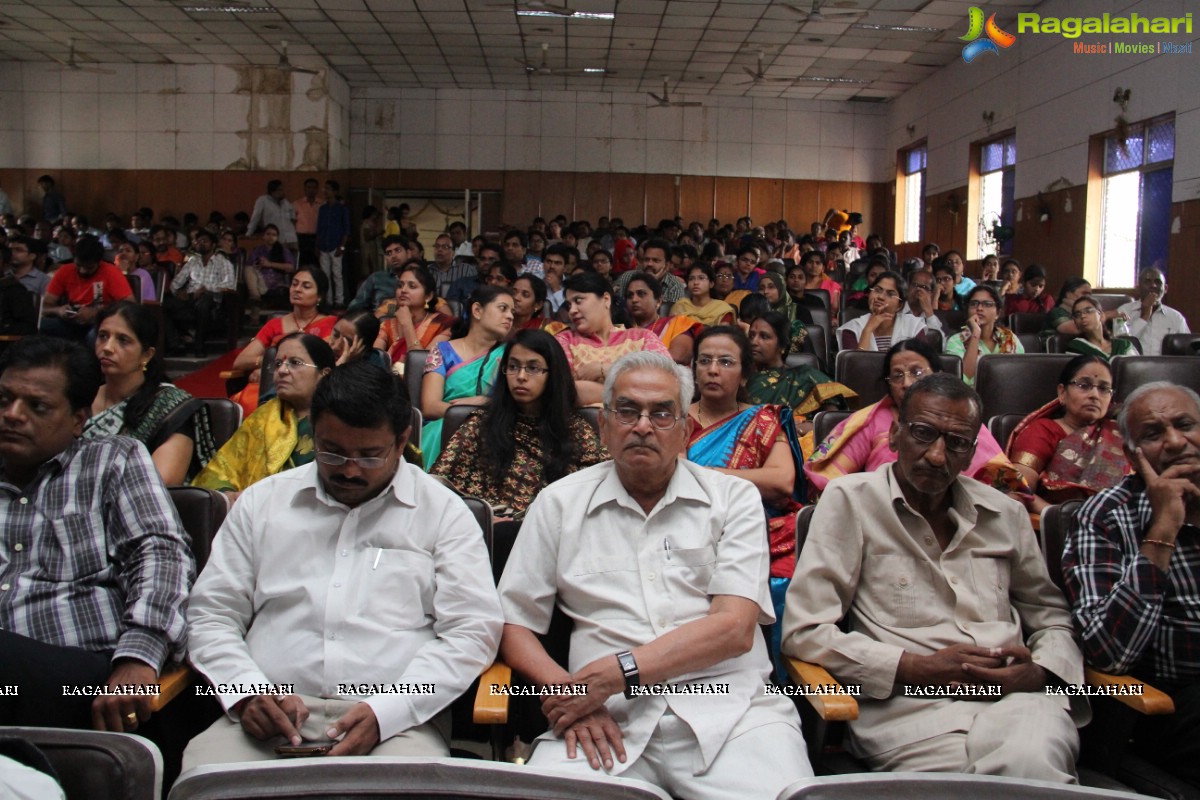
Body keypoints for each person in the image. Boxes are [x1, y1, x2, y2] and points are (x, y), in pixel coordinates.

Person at [496, 351, 813, 798]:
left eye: (662, 413)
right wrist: (572, 695)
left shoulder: (732, 499)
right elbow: (513, 622)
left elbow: (734, 629)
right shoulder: (559, 503)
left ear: (686, 430)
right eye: (627, 411)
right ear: (603, 426)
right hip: (602, 722)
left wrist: (614, 674)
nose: (643, 426)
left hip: (733, 716)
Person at [182, 362, 502, 771]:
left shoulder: (442, 513)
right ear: (312, 432)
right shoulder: (263, 503)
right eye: (332, 452)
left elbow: (472, 631)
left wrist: (389, 711)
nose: (349, 470)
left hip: (397, 724)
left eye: (370, 456)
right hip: (268, 713)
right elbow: (212, 613)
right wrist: (245, 692)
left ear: (402, 440)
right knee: (202, 782)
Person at [783, 373, 1088, 782]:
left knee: (1029, 760)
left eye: (957, 443)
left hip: (1018, 703)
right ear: (894, 434)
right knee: (999, 783)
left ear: (972, 454)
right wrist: (913, 668)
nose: (937, 456)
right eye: (923, 434)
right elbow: (804, 631)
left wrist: (1042, 672)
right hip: (912, 712)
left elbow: (1050, 616)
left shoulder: (1006, 514)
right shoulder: (850, 503)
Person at [0, 336, 192, 735]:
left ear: (78, 419)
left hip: (82, 680)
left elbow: (159, 554)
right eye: (3, 400)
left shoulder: (112, 460)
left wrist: (139, 657)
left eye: (37, 406)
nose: (12, 415)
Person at [1062, 382, 1200, 789]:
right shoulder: (1103, 518)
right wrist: (1162, 532)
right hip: (1170, 704)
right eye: (1154, 435)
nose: (1175, 442)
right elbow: (1109, 655)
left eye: (1186, 425)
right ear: (1131, 455)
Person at [432, 329, 607, 564]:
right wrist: (485, 516)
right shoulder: (480, 425)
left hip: (554, 542)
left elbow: (597, 491)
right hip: (481, 539)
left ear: (552, 374)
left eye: (533, 368)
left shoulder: (575, 431)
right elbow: (439, 489)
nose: (521, 376)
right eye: (513, 366)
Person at [806, 338, 1025, 498]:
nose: (907, 383)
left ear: (937, 374)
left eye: (917, 372)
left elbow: (1007, 488)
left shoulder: (963, 422)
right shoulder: (870, 421)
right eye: (897, 375)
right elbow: (828, 481)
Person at [192, 333, 335, 504]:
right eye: (278, 364)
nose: (282, 371)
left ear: (324, 373)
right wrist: (228, 495)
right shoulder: (264, 417)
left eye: (295, 363)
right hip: (247, 512)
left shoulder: (339, 422)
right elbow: (222, 470)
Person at [84, 302, 217, 484]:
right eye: (103, 336)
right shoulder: (80, 397)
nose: (107, 347)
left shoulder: (170, 408)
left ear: (146, 355)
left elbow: (162, 481)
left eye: (123, 340)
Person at [1007, 355, 1130, 514]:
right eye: (1084, 385)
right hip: (1058, 528)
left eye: (1103, 388)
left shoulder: (1119, 433)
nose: (1095, 395)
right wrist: (1060, 517)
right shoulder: (1043, 431)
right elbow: (1018, 488)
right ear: (1062, 392)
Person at [419, 286, 513, 469]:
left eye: (512, 312)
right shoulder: (442, 351)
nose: (510, 316)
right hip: (444, 428)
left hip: (493, 427)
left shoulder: (511, 355)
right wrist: (469, 412)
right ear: (477, 310)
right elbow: (430, 406)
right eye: (503, 308)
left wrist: (485, 402)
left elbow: (514, 403)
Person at [230, 268, 336, 414]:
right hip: (272, 383)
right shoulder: (274, 325)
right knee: (249, 400)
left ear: (319, 297)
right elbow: (240, 362)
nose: (297, 290)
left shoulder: (332, 324)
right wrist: (269, 364)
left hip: (311, 387)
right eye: (294, 284)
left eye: (306, 286)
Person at [555, 272, 670, 406]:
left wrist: (605, 369)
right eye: (569, 305)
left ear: (606, 299)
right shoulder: (564, 340)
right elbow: (564, 391)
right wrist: (634, 392)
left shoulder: (642, 337)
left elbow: (667, 381)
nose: (572, 311)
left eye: (578, 301)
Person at [746, 311, 855, 440]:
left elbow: (832, 423)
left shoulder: (806, 377)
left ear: (782, 346)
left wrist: (809, 426)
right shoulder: (737, 377)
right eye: (751, 335)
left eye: (764, 337)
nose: (754, 342)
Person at [40, 235, 132, 340]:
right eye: (79, 265)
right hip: (71, 322)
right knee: (42, 326)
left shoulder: (111, 272)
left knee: (94, 336)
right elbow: (45, 307)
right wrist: (59, 310)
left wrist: (96, 313)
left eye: (89, 268)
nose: (83, 270)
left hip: (101, 322)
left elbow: (129, 304)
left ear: (99, 263)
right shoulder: (64, 271)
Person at [162, 229, 236, 357]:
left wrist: (205, 288)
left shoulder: (223, 262)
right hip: (190, 298)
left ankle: (199, 346)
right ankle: (175, 344)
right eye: (199, 241)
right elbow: (175, 283)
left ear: (213, 245)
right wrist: (179, 292)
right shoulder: (192, 262)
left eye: (205, 241)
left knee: (204, 302)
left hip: (212, 299)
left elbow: (230, 285)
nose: (201, 243)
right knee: (163, 305)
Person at [374, 262, 455, 366]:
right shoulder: (388, 325)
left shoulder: (443, 325)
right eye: (400, 285)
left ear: (428, 296)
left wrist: (407, 324)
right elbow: (374, 360)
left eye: (412, 286)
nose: (403, 290)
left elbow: (422, 365)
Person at [945, 284, 1024, 386]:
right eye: (974, 304)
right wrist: (975, 333)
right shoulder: (956, 341)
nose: (979, 308)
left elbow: (1021, 374)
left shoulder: (1010, 338)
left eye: (987, 304)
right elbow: (963, 380)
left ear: (997, 313)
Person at [624, 272, 701, 367]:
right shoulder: (621, 331)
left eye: (641, 294)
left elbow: (679, 356)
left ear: (658, 301)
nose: (634, 299)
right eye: (629, 295)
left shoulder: (676, 323)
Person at [838, 270, 925, 352]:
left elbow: (922, 363)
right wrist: (867, 330)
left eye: (890, 294)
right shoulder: (851, 329)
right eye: (877, 290)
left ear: (899, 305)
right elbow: (855, 366)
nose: (881, 297)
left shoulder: (913, 327)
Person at [1117, 268, 1190, 356]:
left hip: (1167, 367)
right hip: (1133, 366)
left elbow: (1186, 349)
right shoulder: (1123, 311)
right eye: (1147, 282)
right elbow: (1120, 346)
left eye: (1158, 282)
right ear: (1138, 288)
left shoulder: (1176, 318)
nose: (1153, 286)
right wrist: (1144, 316)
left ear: (1165, 288)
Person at [244, 224, 295, 321]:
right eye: (268, 234)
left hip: (275, 280)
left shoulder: (282, 250)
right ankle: (255, 296)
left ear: (277, 237)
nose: (270, 237)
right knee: (248, 269)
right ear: (263, 236)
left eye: (274, 235)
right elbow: (251, 264)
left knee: (251, 276)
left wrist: (269, 264)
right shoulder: (259, 249)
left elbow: (290, 267)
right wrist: (259, 264)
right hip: (258, 278)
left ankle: (255, 301)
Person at [1066, 295, 1135, 360]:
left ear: (1101, 315)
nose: (1082, 316)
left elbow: (1137, 369)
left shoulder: (1123, 345)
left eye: (1088, 311)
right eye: (1077, 314)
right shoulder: (1076, 347)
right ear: (1075, 322)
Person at [670, 263, 734, 326]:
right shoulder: (680, 306)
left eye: (701, 278)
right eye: (691, 279)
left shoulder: (722, 309)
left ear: (711, 283)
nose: (695, 282)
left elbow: (723, 334)